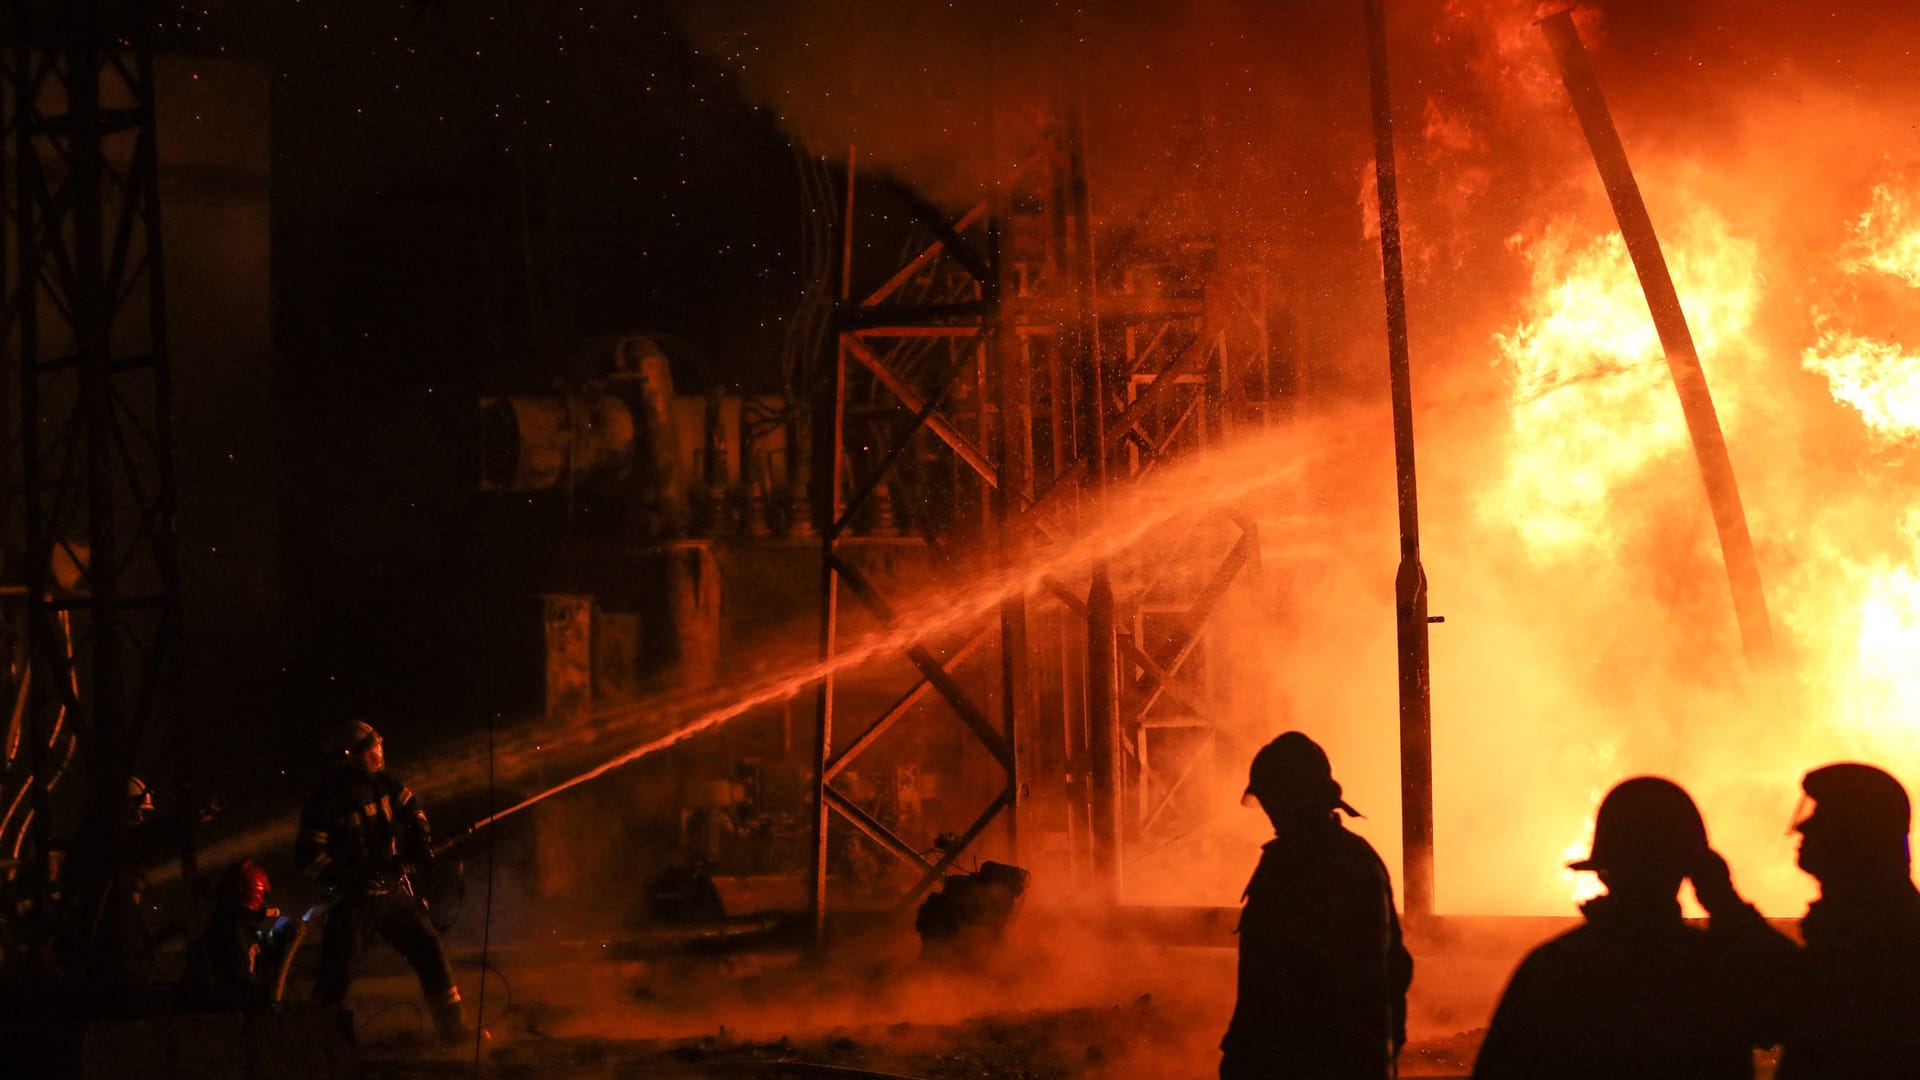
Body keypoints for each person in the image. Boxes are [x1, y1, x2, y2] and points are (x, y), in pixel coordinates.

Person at [1472, 776, 1793, 1080]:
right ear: (1689, 869)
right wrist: (1726, 903)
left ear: (1603, 872)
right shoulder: (1717, 970)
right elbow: (1799, 1004)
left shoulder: (1553, 968)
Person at [1219, 731, 1412, 1080]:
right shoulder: (1357, 859)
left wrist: (1243, 1057)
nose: (1271, 814)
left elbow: (1276, 984)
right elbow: (1394, 970)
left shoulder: (1297, 866)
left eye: (1274, 801)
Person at [296, 720, 467, 1043]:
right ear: (352, 756)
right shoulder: (323, 803)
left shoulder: (384, 784)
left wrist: (418, 843)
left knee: (428, 949)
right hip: (350, 903)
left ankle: (453, 1030)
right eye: (372, 749)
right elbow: (308, 860)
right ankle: (316, 1041)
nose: (379, 753)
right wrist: (353, 878)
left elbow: (413, 812)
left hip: (391, 894)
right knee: (337, 972)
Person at [1776, 762, 1920, 1079]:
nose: (1803, 826)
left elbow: (1795, 997)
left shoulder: (1876, 940)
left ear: (1853, 828)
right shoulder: (1875, 922)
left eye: (1821, 814)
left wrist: (1723, 900)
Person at [183, 859, 302, 1010]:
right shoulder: (231, 934)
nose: (264, 905)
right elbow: (240, 988)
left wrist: (278, 936)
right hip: (231, 1017)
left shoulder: (228, 922)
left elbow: (253, 944)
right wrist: (268, 1005)